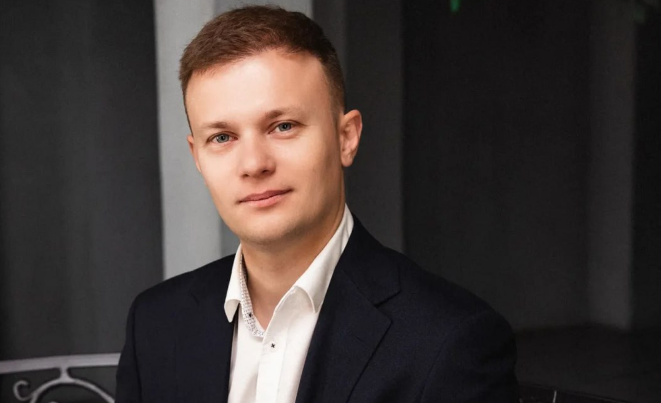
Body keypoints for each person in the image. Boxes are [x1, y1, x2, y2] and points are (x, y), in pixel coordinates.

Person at [116, 5, 517, 403]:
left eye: (283, 126)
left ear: (347, 138)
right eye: (222, 137)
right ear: (198, 157)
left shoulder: (450, 341)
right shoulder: (154, 324)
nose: (254, 164)